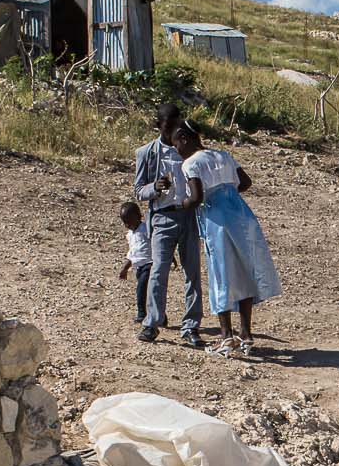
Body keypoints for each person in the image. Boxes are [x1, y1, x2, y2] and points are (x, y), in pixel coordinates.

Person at [174, 121, 280, 360]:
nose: (176, 150)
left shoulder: (190, 163)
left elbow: (197, 195)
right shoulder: (224, 155)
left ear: (183, 138)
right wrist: (228, 192)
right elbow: (246, 182)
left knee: (221, 274)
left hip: (217, 221)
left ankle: (226, 336)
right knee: (243, 273)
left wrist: (182, 204)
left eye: (176, 144)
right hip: (241, 215)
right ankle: (246, 334)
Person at [132, 101, 203, 347]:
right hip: (162, 217)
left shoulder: (189, 150)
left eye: (177, 125)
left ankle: (191, 326)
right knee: (158, 271)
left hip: (189, 216)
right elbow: (138, 190)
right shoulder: (147, 153)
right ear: (158, 125)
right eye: (168, 126)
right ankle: (152, 322)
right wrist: (155, 188)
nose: (173, 130)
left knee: (192, 272)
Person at [116, 200, 150, 326]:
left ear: (138, 216)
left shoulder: (146, 229)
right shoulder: (130, 235)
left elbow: (157, 243)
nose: (127, 225)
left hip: (149, 265)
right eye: (125, 222)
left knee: (144, 290)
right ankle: (157, 315)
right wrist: (125, 268)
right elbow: (132, 253)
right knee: (145, 291)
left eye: (129, 221)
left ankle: (143, 314)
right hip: (138, 268)